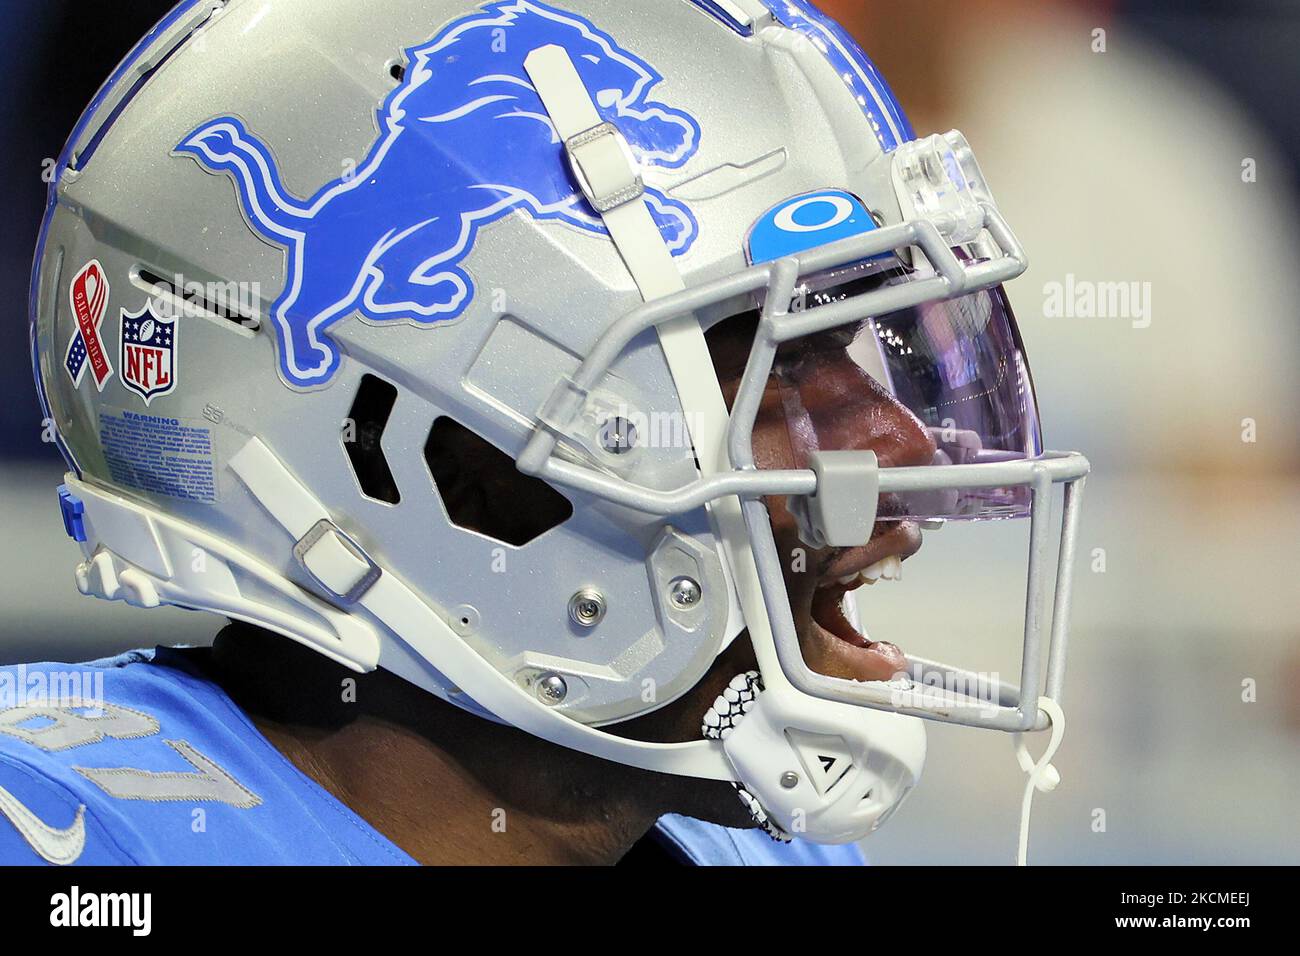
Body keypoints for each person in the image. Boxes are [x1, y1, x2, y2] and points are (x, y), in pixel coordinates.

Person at [6, 0, 1086, 866]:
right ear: (452, 470)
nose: (902, 449)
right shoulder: (61, 830)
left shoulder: (751, 839)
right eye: (769, 371)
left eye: (847, 358)